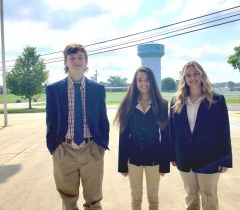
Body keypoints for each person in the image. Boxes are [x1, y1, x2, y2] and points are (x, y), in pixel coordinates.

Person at [45, 43, 109, 210]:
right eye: (72, 58)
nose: (76, 61)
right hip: (64, 150)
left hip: (92, 149)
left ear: (86, 61)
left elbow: (103, 119)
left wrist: (100, 147)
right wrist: (54, 147)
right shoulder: (53, 90)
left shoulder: (97, 89)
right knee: (68, 201)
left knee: (94, 201)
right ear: (66, 62)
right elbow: (50, 121)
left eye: (80, 57)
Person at [169, 61, 232, 210]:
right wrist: (172, 155)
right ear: (184, 78)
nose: (193, 78)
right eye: (188, 75)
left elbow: (224, 131)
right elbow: (172, 131)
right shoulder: (176, 101)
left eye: (196, 73)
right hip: (185, 156)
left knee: (209, 195)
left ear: (202, 75)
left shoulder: (217, 99)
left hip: (210, 158)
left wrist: (225, 159)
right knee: (191, 196)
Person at [114, 66, 170, 210]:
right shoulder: (128, 104)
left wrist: (165, 164)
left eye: (147, 79)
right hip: (133, 159)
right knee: (136, 197)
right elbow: (123, 137)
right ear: (135, 82)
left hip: (154, 159)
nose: (143, 83)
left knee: (153, 198)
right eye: (139, 80)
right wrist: (122, 165)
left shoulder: (162, 104)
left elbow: (165, 136)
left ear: (152, 81)